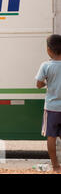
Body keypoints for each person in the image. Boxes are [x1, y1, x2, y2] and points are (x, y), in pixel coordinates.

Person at [35, 34, 61, 173]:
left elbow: (38, 84)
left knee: (51, 137)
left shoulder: (46, 65)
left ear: (49, 50)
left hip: (51, 108)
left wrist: (47, 82)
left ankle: (56, 166)